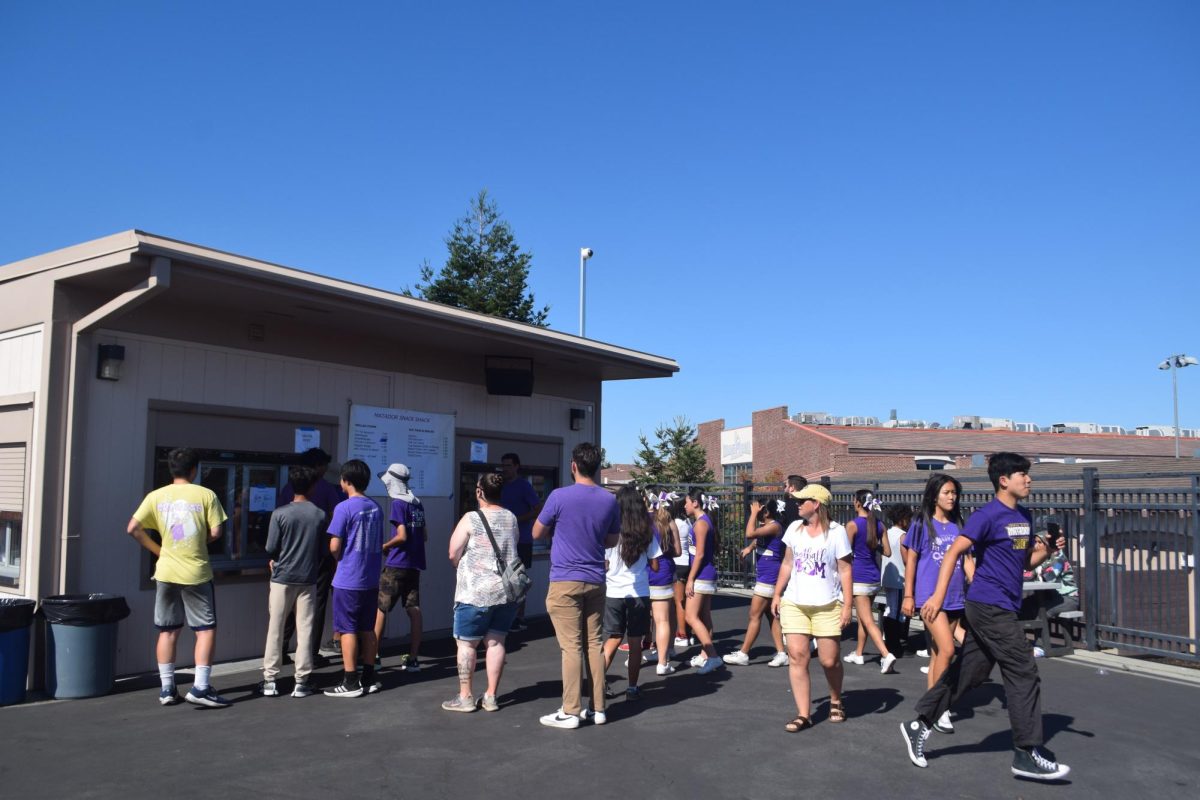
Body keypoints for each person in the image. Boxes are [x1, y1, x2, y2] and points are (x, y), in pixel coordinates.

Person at [900, 452, 1071, 781]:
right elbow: (954, 552)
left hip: (1003, 605)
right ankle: (1026, 752)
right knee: (1023, 671)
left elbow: (1023, 563)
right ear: (1004, 480)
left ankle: (918, 724)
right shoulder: (986, 516)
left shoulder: (1023, 517)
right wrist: (935, 595)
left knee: (970, 674)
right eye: (1023, 475)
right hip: (987, 604)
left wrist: (1048, 548)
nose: (1029, 480)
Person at [126, 447, 231, 708]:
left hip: (166, 571)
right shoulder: (206, 494)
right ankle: (201, 687)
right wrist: (200, 541)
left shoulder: (156, 496)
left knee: (168, 630)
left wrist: (159, 551)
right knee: (205, 629)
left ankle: (167, 689)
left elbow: (133, 528)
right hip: (196, 572)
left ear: (171, 468)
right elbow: (217, 532)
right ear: (194, 470)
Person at [533, 442, 621, 729]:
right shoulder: (609, 500)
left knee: (571, 647)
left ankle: (570, 711)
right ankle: (598, 709)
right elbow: (611, 540)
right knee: (594, 643)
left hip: (565, 580)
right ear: (598, 468)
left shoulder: (559, 497)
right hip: (595, 578)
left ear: (573, 465)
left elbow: (536, 532)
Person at [771, 483, 852, 730]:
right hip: (795, 602)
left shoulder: (837, 533)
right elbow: (787, 563)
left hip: (827, 604)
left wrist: (848, 604)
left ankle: (835, 699)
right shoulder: (794, 529)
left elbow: (845, 569)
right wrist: (777, 593)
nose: (797, 504)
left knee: (829, 660)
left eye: (801, 500)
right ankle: (803, 714)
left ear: (816, 504)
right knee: (797, 656)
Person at [442, 472, 520, 712]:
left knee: (466, 646)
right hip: (505, 593)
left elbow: (453, 553)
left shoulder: (470, 518)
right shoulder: (511, 518)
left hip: (473, 593)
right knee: (496, 643)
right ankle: (490, 696)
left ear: (479, 492)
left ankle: (465, 696)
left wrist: (461, 564)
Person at [902, 474, 974, 734]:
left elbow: (966, 560)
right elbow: (910, 560)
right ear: (934, 496)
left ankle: (930, 707)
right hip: (929, 597)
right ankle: (940, 707)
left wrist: (975, 583)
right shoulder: (922, 524)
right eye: (946, 492)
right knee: (947, 649)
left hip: (955, 596)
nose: (952, 497)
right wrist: (908, 596)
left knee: (936, 654)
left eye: (954, 492)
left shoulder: (958, 525)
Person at [260, 464, 325, 698]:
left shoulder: (280, 513)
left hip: (281, 577)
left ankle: (270, 679)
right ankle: (302, 680)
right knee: (305, 629)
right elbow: (321, 549)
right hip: (308, 578)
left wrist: (275, 559)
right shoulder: (319, 514)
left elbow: (270, 547)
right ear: (312, 486)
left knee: (275, 627)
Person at [323, 459, 383, 697]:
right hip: (370, 577)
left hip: (348, 577)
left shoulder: (343, 508)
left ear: (346, 481)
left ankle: (350, 681)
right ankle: (368, 677)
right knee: (367, 628)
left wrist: (337, 556)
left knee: (347, 629)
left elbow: (335, 546)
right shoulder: (375, 507)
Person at [277, 447, 343, 663]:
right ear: (317, 466)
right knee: (316, 604)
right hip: (319, 556)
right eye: (323, 465)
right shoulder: (324, 488)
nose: (325, 469)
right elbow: (336, 519)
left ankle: (281, 648)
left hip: (288, 558)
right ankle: (310, 653)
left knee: (286, 606)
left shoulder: (288, 489)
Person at [602, 486, 663, 699]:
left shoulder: (611, 530)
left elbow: (605, 564)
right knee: (636, 641)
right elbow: (656, 565)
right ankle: (632, 687)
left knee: (612, 638)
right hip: (639, 592)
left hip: (613, 592)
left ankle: (598, 682)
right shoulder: (645, 531)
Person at [374, 463, 426, 673]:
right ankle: (413, 658)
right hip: (414, 564)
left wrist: (385, 546)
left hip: (396, 564)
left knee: (381, 609)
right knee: (413, 609)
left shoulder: (398, 503)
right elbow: (424, 535)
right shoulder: (417, 503)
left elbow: (402, 535)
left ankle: (374, 657)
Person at [725, 498, 787, 667]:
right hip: (766, 576)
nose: (755, 513)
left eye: (758, 511)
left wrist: (753, 514)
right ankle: (782, 653)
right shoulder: (767, 527)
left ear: (766, 512)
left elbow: (750, 534)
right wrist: (749, 548)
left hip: (769, 577)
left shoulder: (774, 526)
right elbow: (756, 539)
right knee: (771, 616)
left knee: (754, 615)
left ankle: (744, 653)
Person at [843, 490, 897, 674]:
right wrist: (874, 544)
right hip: (874, 576)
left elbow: (844, 553)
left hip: (858, 576)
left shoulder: (852, 525)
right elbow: (888, 552)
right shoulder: (879, 524)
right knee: (863, 619)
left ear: (857, 502)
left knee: (866, 619)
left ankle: (885, 654)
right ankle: (858, 653)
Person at [500, 452, 544, 630]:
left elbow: (538, 509)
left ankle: (520, 618)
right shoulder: (500, 485)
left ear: (517, 466)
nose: (505, 469)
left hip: (522, 540)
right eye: (503, 465)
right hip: (502, 540)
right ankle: (504, 617)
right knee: (502, 578)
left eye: (509, 465)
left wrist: (517, 518)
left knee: (519, 579)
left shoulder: (524, 486)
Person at [683, 488, 723, 674]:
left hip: (701, 575)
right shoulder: (703, 521)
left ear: (695, 503)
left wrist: (690, 578)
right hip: (705, 575)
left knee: (690, 617)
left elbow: (699, 555)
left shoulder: (700, 524)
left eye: (687, 502)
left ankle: (713, 656)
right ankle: (705, 654)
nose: (685, 505)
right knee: (704, 616)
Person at [648, 497, 681, 675]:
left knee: (648, 618)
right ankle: (663, 661)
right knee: (663, 620)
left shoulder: (642, 521)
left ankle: (639, 653)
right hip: (664, 572)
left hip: (644, 573)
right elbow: (678, 551)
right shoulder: (670, 522)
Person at [878, 503, 913, 660]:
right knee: (897, 612)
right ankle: (894, 645)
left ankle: (889, 641)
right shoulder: (903, 536)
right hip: (900, 578)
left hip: (888, 577)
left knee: (890, 608)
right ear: (903, 519)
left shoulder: (888, 532)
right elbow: (907, 559)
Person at [671, 495, 695, 649]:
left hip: (678, 563)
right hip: (687, 563)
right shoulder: (688, 522)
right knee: (685, 601)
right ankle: (689, 633)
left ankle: (682, 634)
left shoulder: (677, 523)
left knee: (679, 601)